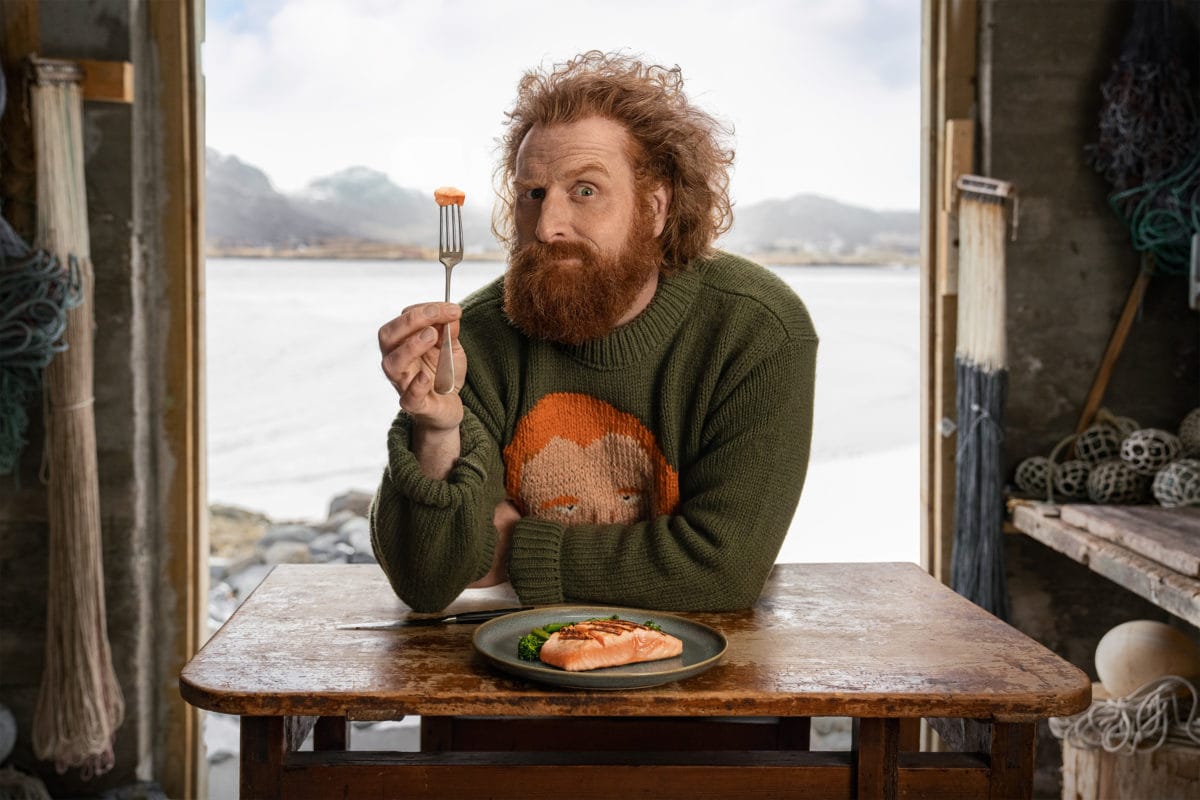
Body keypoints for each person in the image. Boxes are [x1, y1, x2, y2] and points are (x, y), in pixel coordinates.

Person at [372, 51, 818, 613]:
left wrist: (515, 549)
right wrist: (436, 430)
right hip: (503, 677)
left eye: (585, 190)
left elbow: (721, 571)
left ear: (655, 209)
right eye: (532, 194)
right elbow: (427, 581)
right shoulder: (475, 337)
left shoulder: (757, 329)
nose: (549, 225)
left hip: (704, 677)